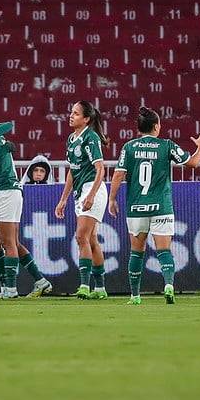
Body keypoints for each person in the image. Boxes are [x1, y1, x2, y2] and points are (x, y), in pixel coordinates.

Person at [108, 107, 200, 305]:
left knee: (137, 252)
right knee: (164, 251)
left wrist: (111, 199)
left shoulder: (129, 147)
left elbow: (118, 174)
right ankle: (168, 284)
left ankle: (135, 296)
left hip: (136, 208)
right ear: (155, 127)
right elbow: (193, 163)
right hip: (161, 206)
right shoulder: (166, 145)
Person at [0, 114, 52, 299]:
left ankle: (11, 290)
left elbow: (7, 124)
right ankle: (41, 281)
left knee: (7, 243)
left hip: (5, 191)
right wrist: (2, 146)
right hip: (9, 191)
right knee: (14, 241)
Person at [54, 101, 109, 299]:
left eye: (76, 113)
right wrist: (63, 199)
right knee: (91, 239)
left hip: (92, 189)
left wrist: (92, 196)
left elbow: (100, 169)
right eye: (71, 112)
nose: (71, 115)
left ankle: (85, 285)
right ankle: (101, 289)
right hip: (80, 191)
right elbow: (72, 171)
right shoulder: (71, 138)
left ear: (86, 119)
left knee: (80, 237)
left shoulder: (90, 137)